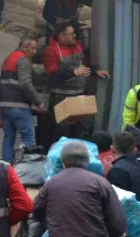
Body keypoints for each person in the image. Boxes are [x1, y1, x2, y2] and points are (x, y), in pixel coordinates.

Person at [41, 21, 110, 151]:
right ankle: (61, 155)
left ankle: (83, 154)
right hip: (61, 96)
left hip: (79, 93)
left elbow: (84, 65)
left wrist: (95, 71)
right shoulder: (51, 51)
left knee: (83, 127)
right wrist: (73, 72)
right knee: (62, 129)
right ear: (61, 36)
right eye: (71, 34)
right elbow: (52, 75)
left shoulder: (77, 45)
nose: (75, 36)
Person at [0, 37, 46, 163]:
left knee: (8, 138)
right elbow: (25, 83)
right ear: (24, 47)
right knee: (28, 139)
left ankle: (7, 168)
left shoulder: (9, 58)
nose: (35, 52)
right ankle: (29, 170)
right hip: (19, 105)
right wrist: (38, 101)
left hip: (4, 105)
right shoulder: (23, 60)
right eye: (33, 48)